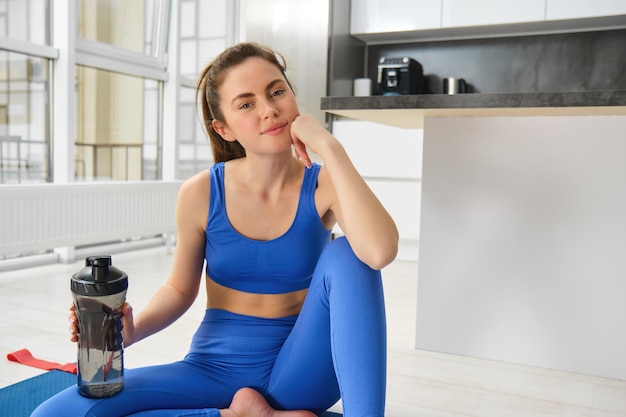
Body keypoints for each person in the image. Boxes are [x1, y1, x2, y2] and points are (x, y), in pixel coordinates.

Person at [32, 42, 398, 417]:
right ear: (223, 128)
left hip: (300, 374)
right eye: (246, 104)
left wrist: (329, 146)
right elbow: (179, 289)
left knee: (348, 253)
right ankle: (238, 415)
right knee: (54, 414)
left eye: (277, 92)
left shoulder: (323, 185)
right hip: (212, 368)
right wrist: (132, 330)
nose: (269, 110)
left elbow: (379, 251)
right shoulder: (201, 192)